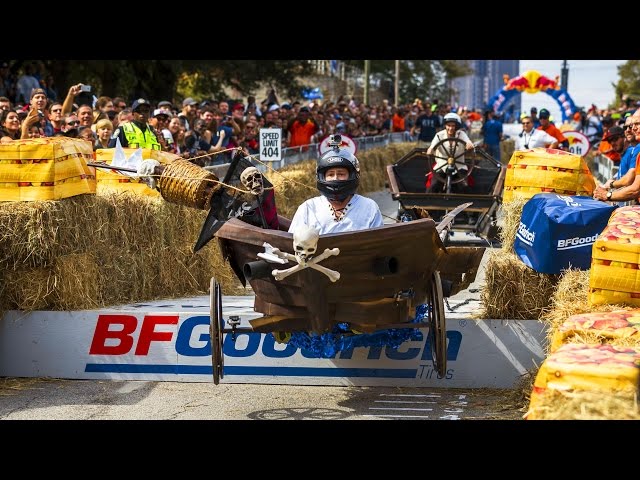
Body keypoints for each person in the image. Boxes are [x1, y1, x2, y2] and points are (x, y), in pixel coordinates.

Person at [288, 139, 383, 235]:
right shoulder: (308, 208)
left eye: (341, 174)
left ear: (353, 175)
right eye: (330, 174)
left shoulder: (369, 207)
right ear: (321, 177)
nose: (335, 178)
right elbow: (294, 243)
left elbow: (380, 243)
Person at [425, 112, 475, 193]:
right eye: (448, 125)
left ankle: (471, 203)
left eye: (453, 126)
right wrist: (430, 149)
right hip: (442, 165)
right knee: (433, 185)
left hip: (459, 166)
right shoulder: (439, 135)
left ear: (457, 126)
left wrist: (469, 145)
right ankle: (426, 202)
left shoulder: (461, 134)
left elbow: (468, 142)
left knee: (465, 186)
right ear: (445, 125)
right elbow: (432, 146)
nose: (450, 128)